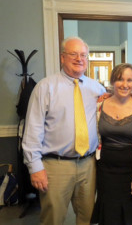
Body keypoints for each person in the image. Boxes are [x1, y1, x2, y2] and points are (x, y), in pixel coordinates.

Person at [22, 36, 106, 225]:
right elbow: (32, 130)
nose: (79, 59)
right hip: (55, 166)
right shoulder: (45, 87)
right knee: (53, 219)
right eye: (73, 54)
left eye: (83, 55)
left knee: (89, 218)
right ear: (62, 57)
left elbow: (115, 107)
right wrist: (35, 168)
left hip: (88, 165)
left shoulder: (97, 89)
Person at [90, 63, 132, 225]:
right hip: (105, 171)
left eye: (129, 80)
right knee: (108, 215)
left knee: (127, 216)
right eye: (120, 79)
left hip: (130, 171)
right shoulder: (99, 106)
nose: (125, 84)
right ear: (112, 81)